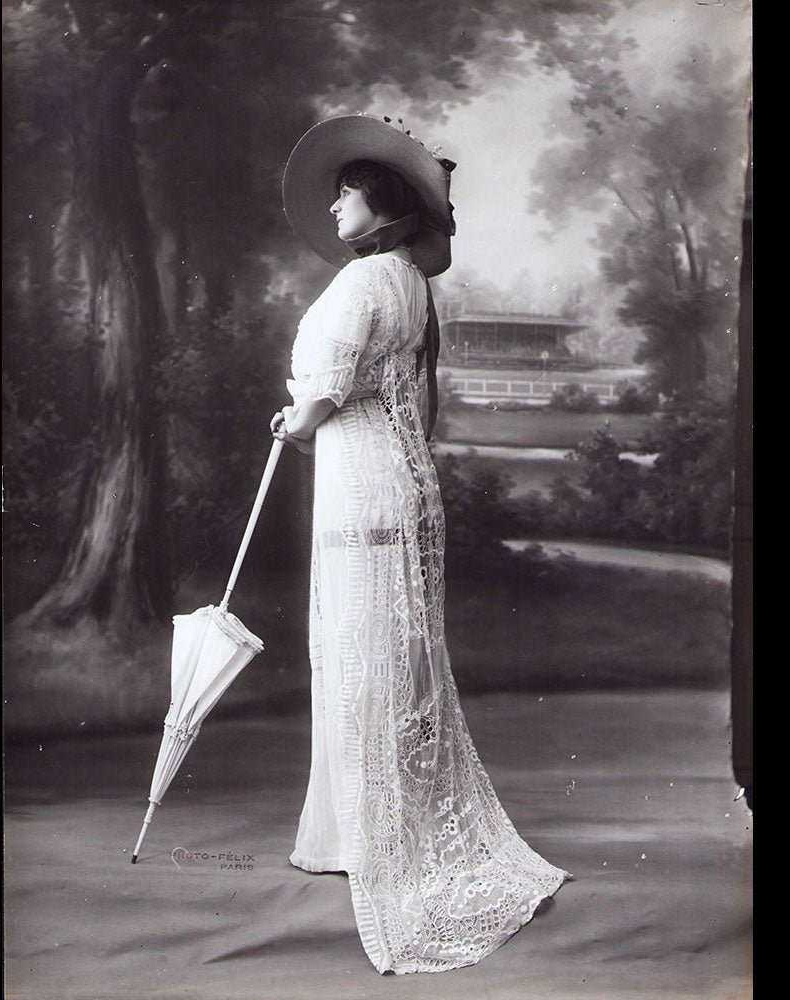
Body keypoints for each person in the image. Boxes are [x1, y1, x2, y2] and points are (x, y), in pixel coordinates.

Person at [271, 114, 569, 975]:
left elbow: (327, 392)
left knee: (361, 650)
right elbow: (377, 385)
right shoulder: (409, 282)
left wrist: (294, 422)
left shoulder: (365, 282)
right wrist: (310, 417)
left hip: (362, 481)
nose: (335, 205)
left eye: (348, 192)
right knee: (390, 656)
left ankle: (373, 840)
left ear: (386, 203)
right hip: (400, 481)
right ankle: (360, 828)